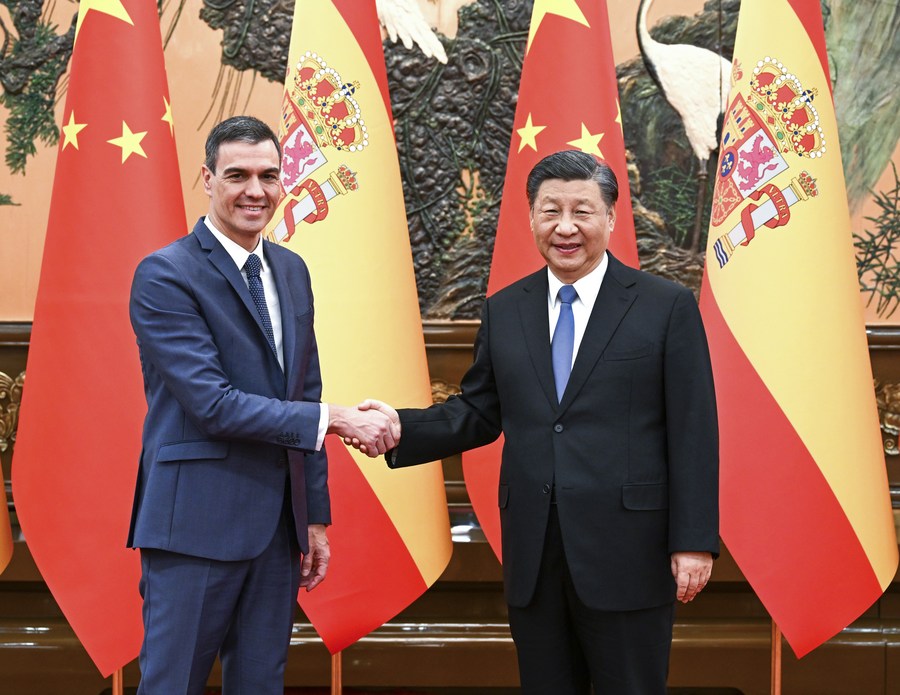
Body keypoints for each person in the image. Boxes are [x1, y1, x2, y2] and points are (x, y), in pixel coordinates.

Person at [359, 150, 719, 694]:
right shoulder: (506, 309)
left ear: (611, 218)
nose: (566, 227)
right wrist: (399, 427)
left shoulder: (663, 306)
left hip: (628, 551)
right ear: (531, 218)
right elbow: (479, 412)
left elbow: (694, 430)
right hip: (535, 552)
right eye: (551, 211)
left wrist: (693, 541)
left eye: (583, 211)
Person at [127, 115, 397, 694]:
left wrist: (314, 518)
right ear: (207, 178)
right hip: (193, 530)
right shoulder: (165, 275)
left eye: (269, 175)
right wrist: (337, 420)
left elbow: (304, 391)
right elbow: (214, 405)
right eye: (238, 175)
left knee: (260, 684)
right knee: (172, 684)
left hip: (277, 531)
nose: (255, 190)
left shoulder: (291, 270)